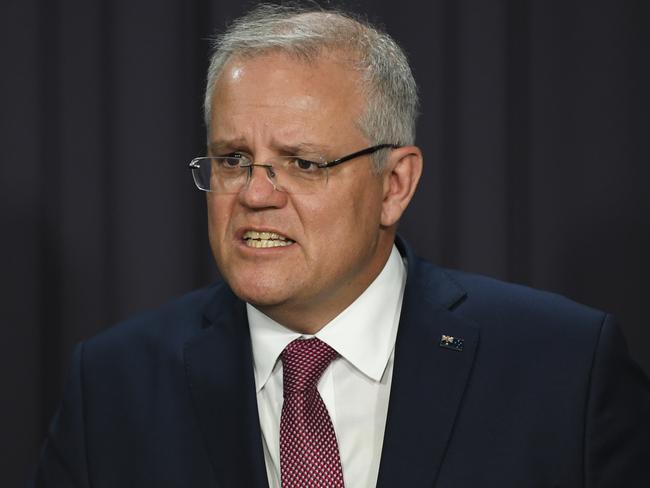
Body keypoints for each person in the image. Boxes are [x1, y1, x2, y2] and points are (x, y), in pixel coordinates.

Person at [34, 4, 650, 487]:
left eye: (302, 163)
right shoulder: (112, 386)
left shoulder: (565, 368)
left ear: (395, 184)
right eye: (233, 160)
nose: (254, 194)